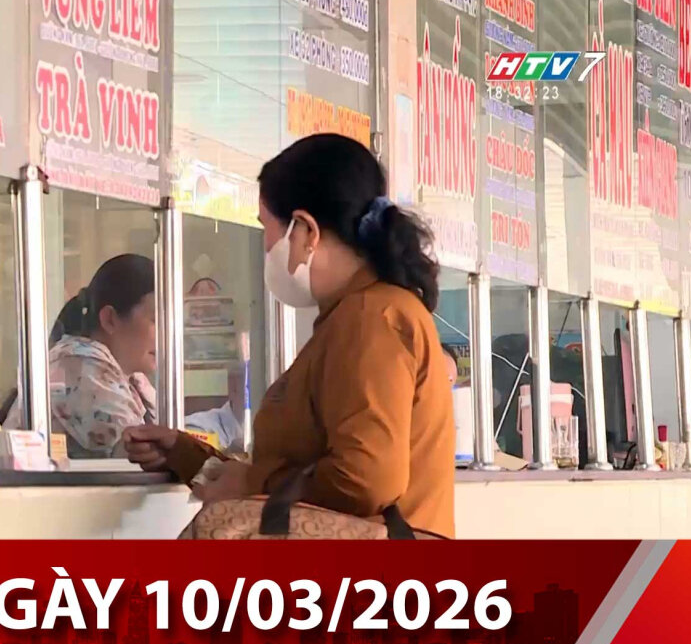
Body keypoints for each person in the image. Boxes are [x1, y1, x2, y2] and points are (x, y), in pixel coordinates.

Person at [125, 134, 455, 538]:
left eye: (266, 228)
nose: (265, 245)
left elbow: (366, 480)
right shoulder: (351, 318)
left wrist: (252, 484)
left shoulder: (372, 317)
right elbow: (301, 475)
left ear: (305, 230)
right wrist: (187, 456)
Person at [4, 253, 243, 458]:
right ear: (110, 319)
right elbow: (147, 451)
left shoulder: (128, 377)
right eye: (156, 320)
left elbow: (172, 435)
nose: (168, 336)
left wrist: (231, 420)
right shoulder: (82, 370)